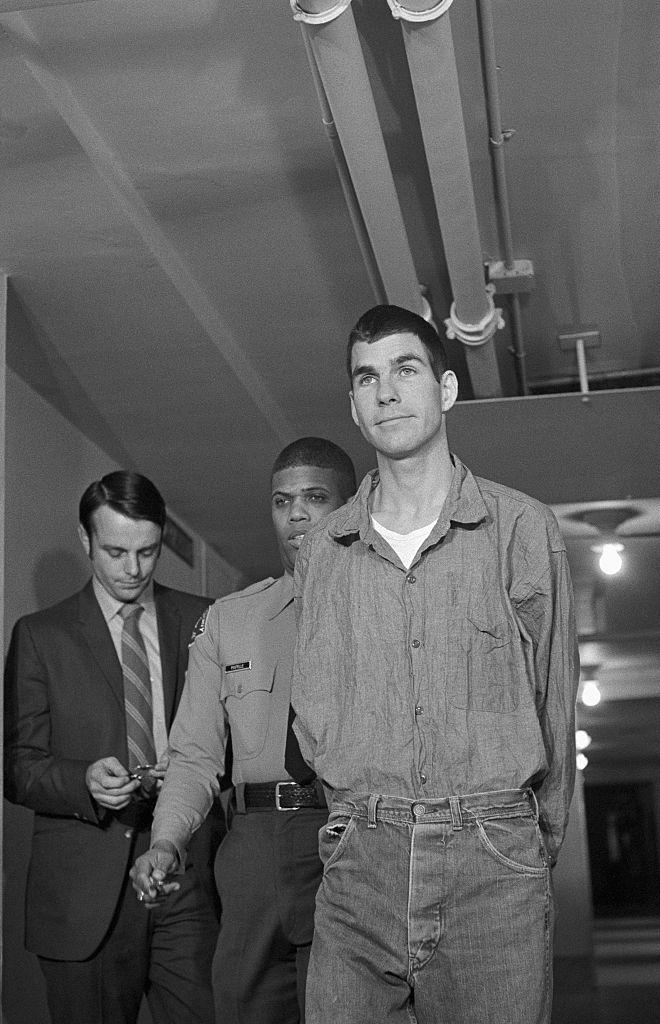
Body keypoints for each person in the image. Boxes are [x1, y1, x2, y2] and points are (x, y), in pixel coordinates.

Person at [290, 305, 580, 1024]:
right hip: (362, 859)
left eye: (404, 369)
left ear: (446, 390)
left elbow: (556, 698)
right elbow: (314, 703)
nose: (385, 391)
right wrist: (355, 819)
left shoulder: (520, 529)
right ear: (354, 408)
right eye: (367, 378)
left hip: (492, 859)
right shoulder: (326, 549)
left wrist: (525, 844)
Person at [130, 437, 357, 1024]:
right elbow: (194, 755)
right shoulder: (232, 619)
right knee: (242, 1006)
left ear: (353, 506)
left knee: (346, 1009)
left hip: (349, 836)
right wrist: (167, 840)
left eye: (315, 497)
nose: (297, 514)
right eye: (283, 501)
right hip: (253, 846)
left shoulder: (385, 611)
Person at [4, 470, 222, 1024]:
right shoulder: (39, 635)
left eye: (147, 552)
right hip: (84, 891)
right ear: (86, 541)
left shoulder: (205, 619)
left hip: (189, 873)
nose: (133, 570)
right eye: (115, 551)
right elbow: (19, 769)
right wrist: (83, 781)